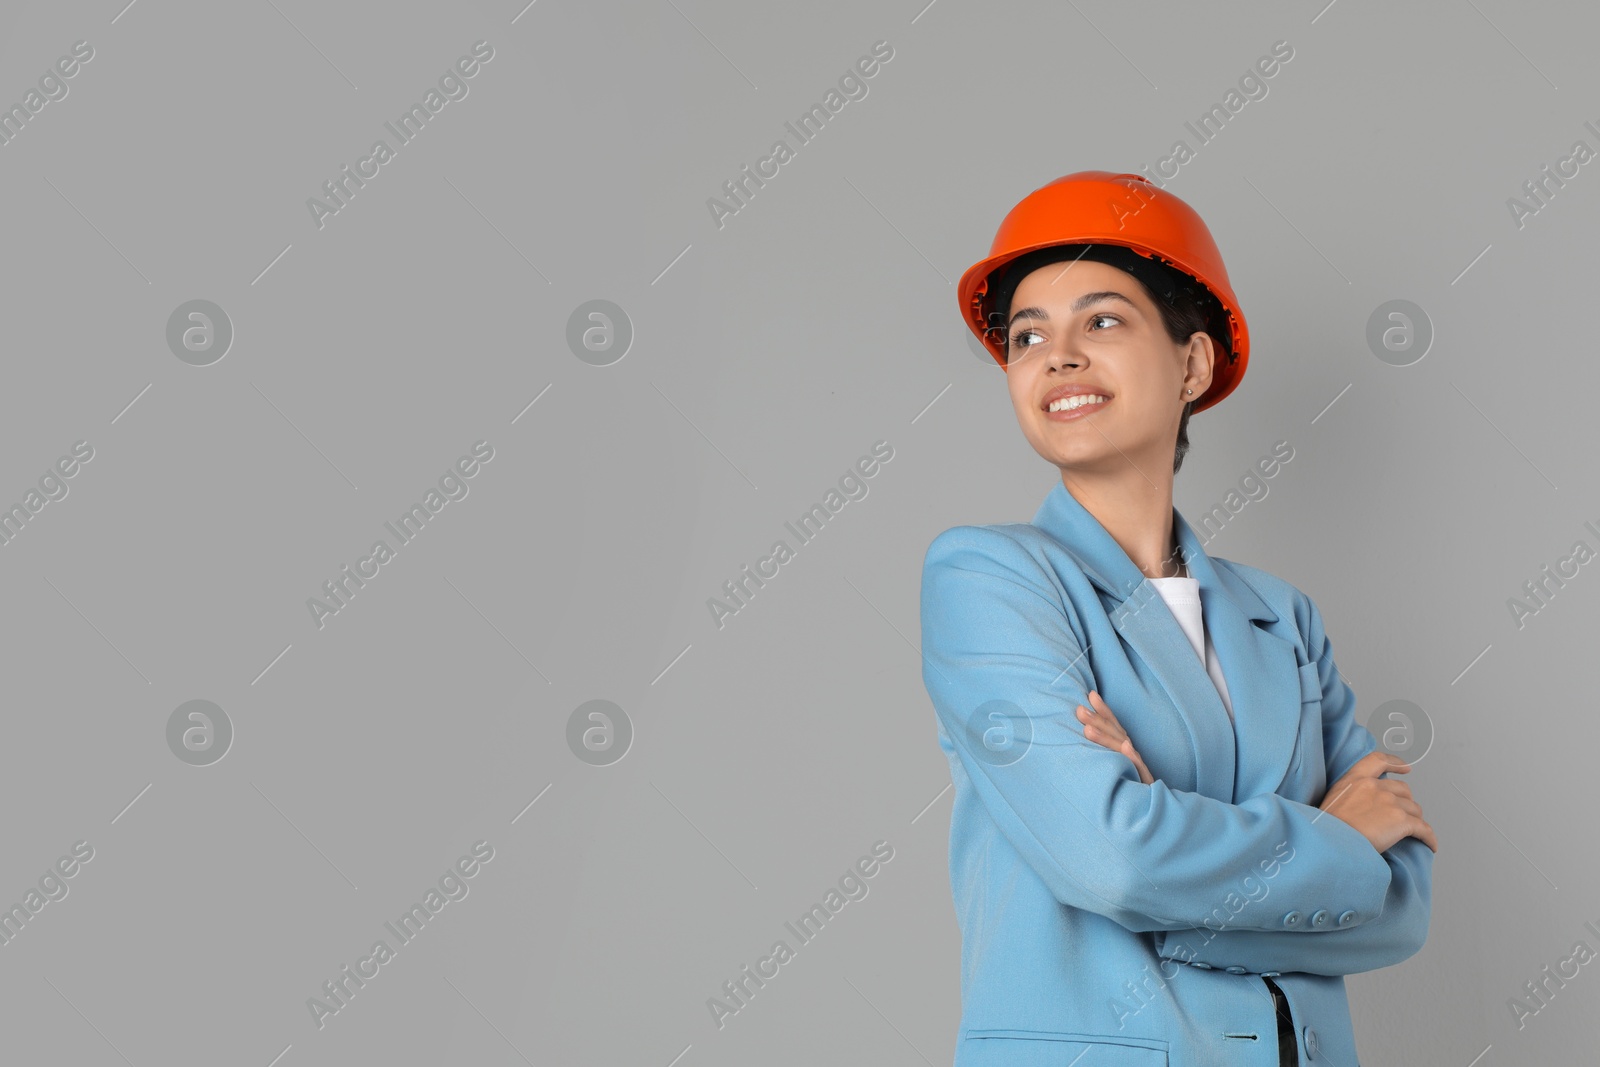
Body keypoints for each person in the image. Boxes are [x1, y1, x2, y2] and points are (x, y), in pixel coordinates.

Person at [920, 171, 1437, 1067]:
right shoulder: (988, 578)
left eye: (1103, 320)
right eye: (1027, 334)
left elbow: (1398, 907)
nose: (1058, 355)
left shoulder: (1283, 615)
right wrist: (1334, 841)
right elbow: (1112, 861)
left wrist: (1165, 858)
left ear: (1193, 362)